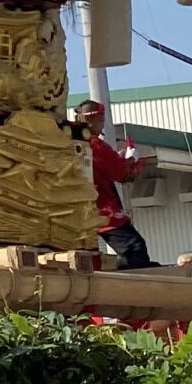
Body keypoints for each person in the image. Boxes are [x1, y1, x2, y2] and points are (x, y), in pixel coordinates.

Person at [77, 100, 151, 270]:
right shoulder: (94, 144)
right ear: (92, 120)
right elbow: (122, 173)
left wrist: (119, 159)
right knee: (135, 249)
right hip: (102, 210)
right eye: (101, 120)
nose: (102, 125)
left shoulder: (75, 141)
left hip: (82, 210)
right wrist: (131, 159)